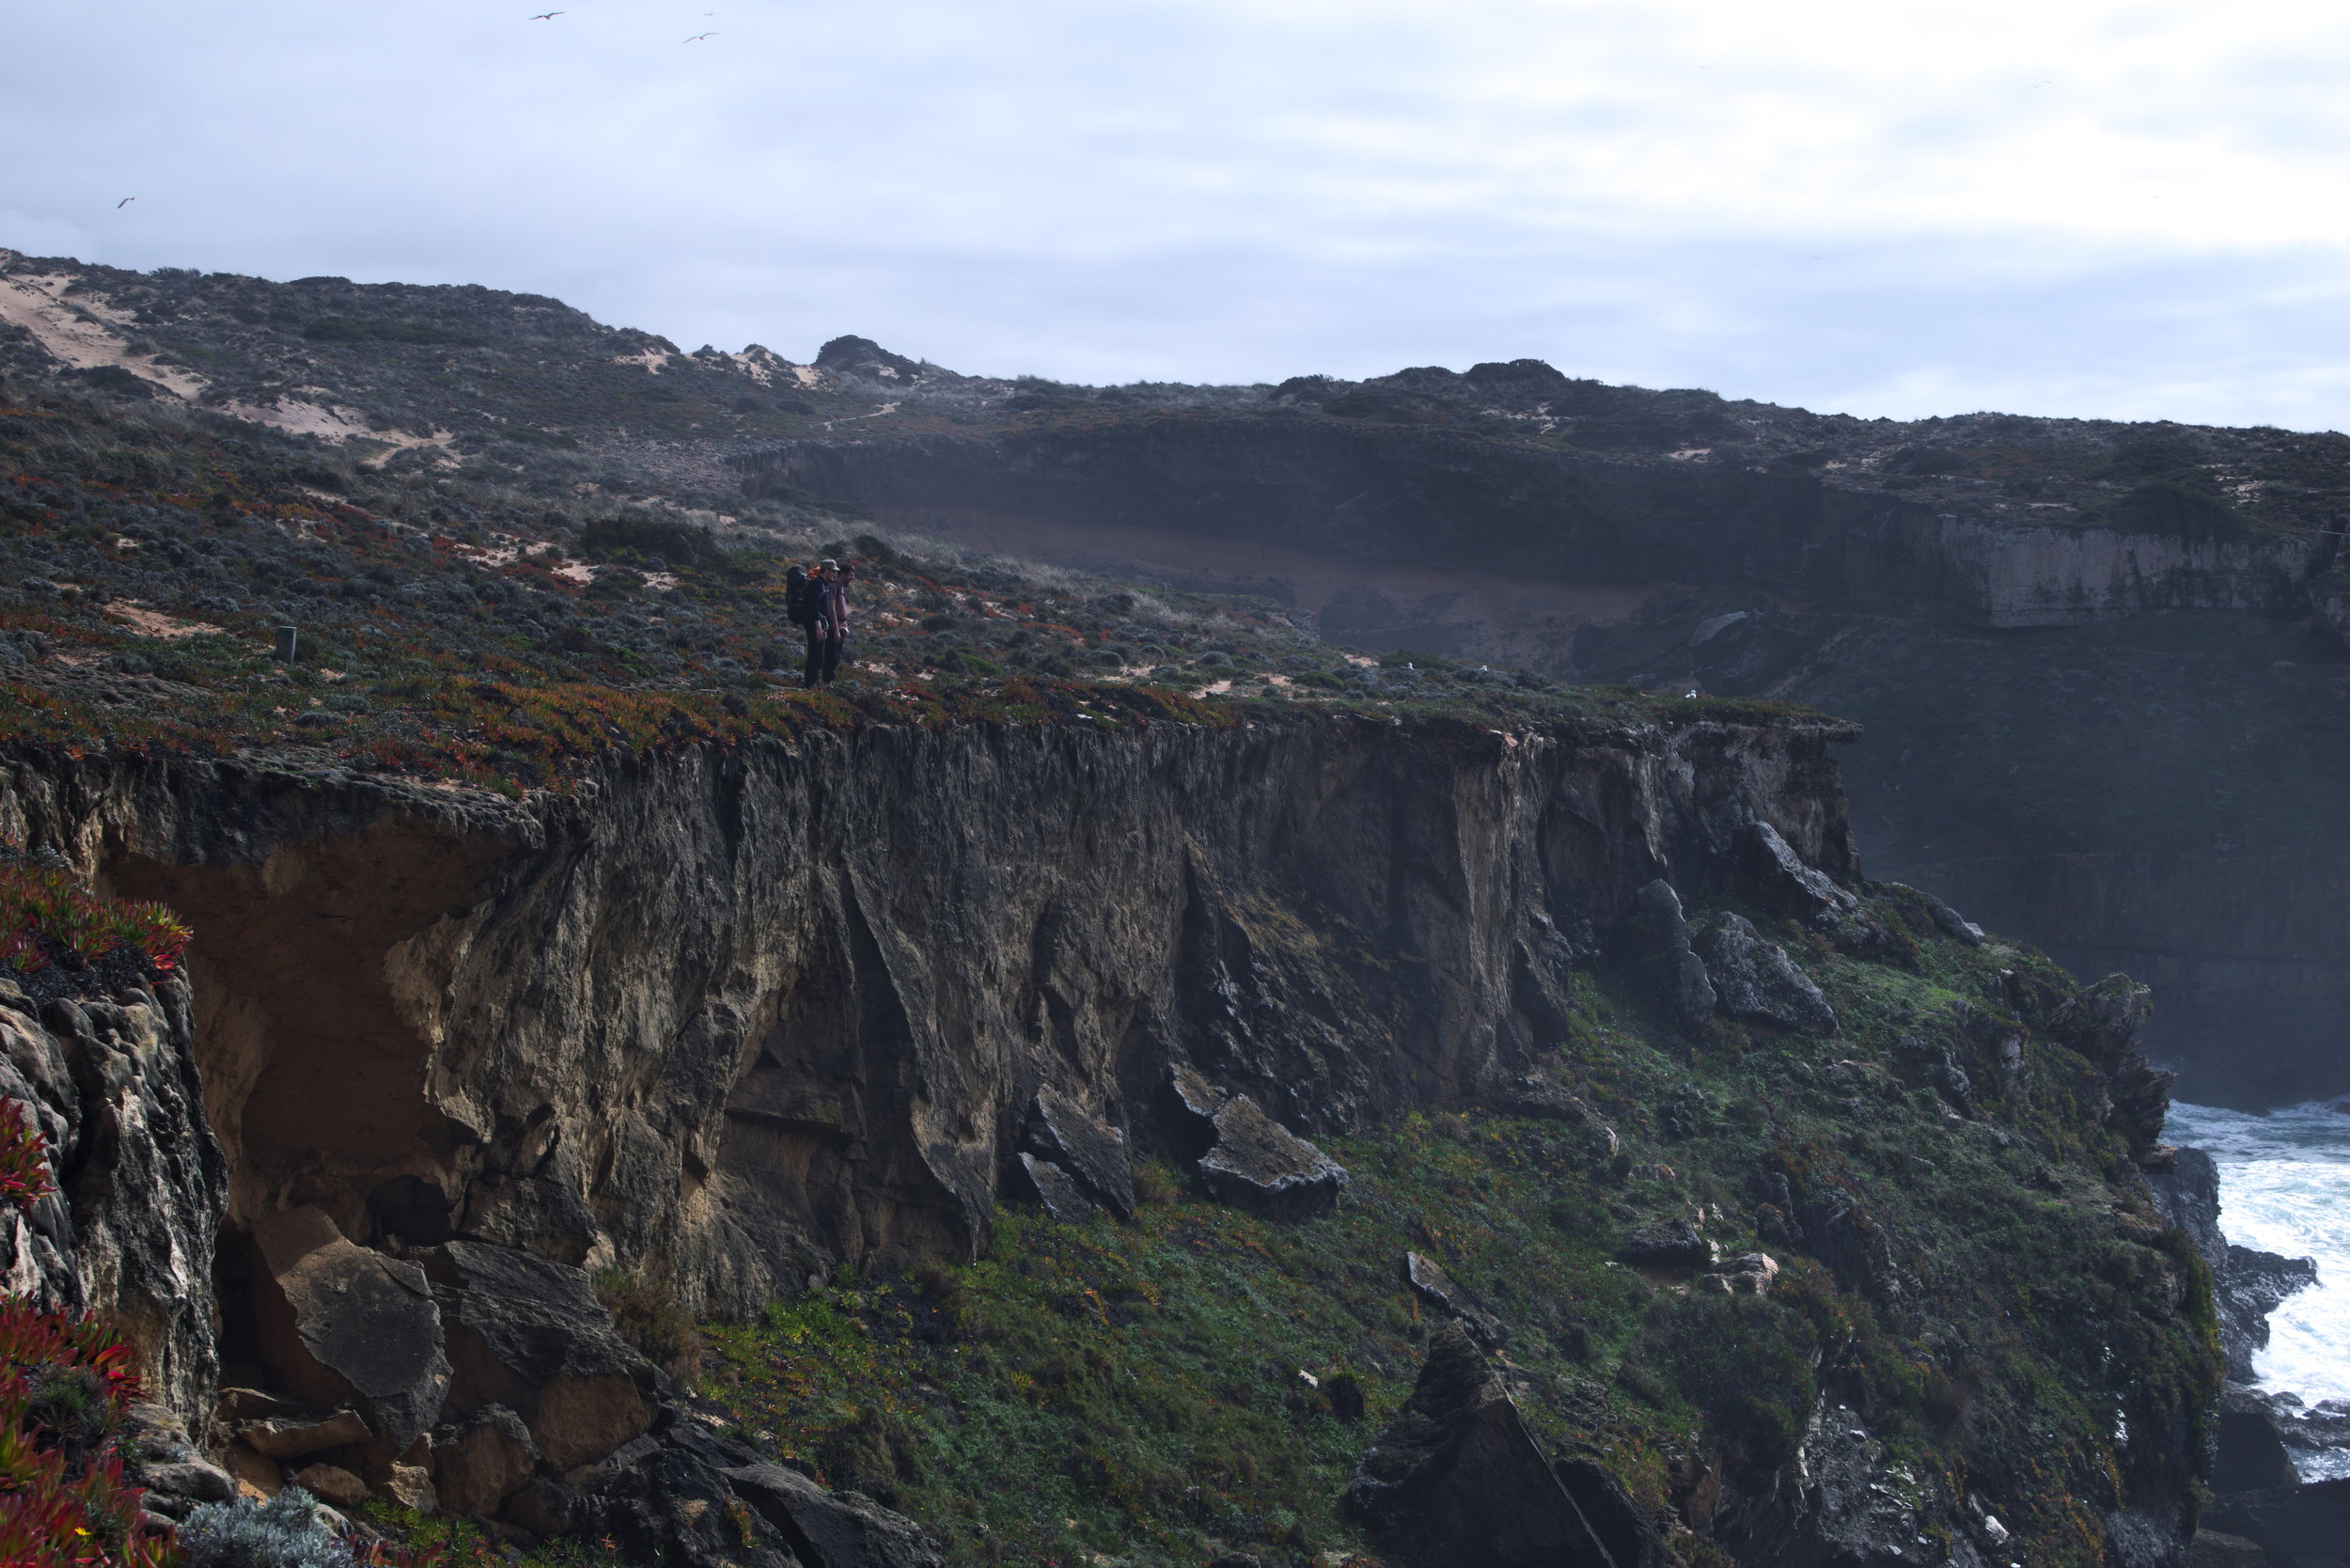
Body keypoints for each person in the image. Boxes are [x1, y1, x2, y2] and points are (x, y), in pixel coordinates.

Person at [801, 557, 853, 686]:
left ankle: (813, 684)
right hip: (815, 625)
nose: (834, 574)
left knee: (818, 656)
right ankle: (810, 685)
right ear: (826, 570)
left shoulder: (824, 585)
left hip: (822, 625)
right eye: (832, 571)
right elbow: (813, 606)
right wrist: (818, 626)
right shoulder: (818, 584)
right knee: (815, 656)